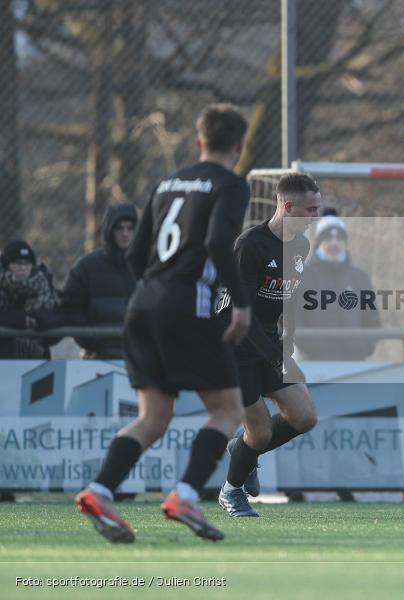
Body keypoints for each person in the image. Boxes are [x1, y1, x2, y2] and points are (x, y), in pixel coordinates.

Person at [75, 103, 252, 543]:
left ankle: (99, 490)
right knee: (228, 409)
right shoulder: (230, 185)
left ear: (198, 141)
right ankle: (186, 494)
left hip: (142, 304)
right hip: (186, 305)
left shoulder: (167, 182)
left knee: (154, 416)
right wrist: (241, 304)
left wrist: (155, 292)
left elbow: (135, 254)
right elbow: (215, 241)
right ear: (239, 145)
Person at [216, 173, 319, 517]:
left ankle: (242, 450)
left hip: (270, 347)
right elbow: (237, 313)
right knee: (258, 434)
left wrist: (286, 343)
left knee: (305, 417)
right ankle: (231, 491)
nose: (314, 218)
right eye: (309, 210)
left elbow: (288, 301)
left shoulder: (301, 246)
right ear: (287, 207)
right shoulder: (250, 246)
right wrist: (276, 356)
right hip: (236, 349)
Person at [293, 208, 381, 361]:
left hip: (354, 363)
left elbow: (372, 320)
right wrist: (311, 348)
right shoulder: (302, 277)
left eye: (339, 239)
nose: (334, 243)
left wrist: (363, 348)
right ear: (318, 243)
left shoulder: (359, 278)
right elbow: (293, 319)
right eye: (328, 239)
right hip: (313, 363)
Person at [61, 203, 138, 359]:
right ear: (110, 230)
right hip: (99, 354)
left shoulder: (148, 265)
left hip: (140, 356)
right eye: (119, 228)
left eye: (130, 228)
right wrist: (92, 341)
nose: (125, 234)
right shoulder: (87, 266)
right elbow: (71, 308)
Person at [0, 240, 61, 359]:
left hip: (37, 358)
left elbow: (57, 319)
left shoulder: (44, 284)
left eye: (27, 263)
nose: (23, 268)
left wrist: (42, 320)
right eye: (17, 263)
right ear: (6, 265)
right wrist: (20, 319)